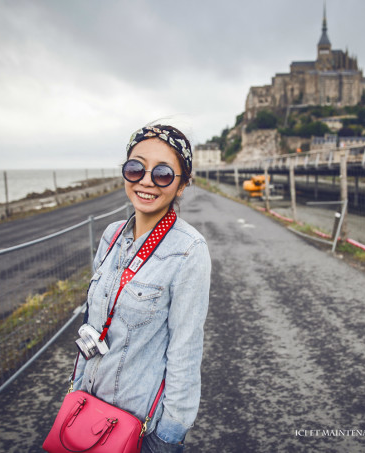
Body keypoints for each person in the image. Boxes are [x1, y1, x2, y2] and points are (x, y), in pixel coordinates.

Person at [72, 124, 211, 453]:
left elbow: (185, 350)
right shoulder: (111, 236)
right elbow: (94, 325)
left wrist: (169, 434)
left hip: (142, 427)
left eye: (163, 174)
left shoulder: (189, 250)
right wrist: (76, 392)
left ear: (182, 185)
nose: (146, 181)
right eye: (136, 168)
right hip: (88, 408)